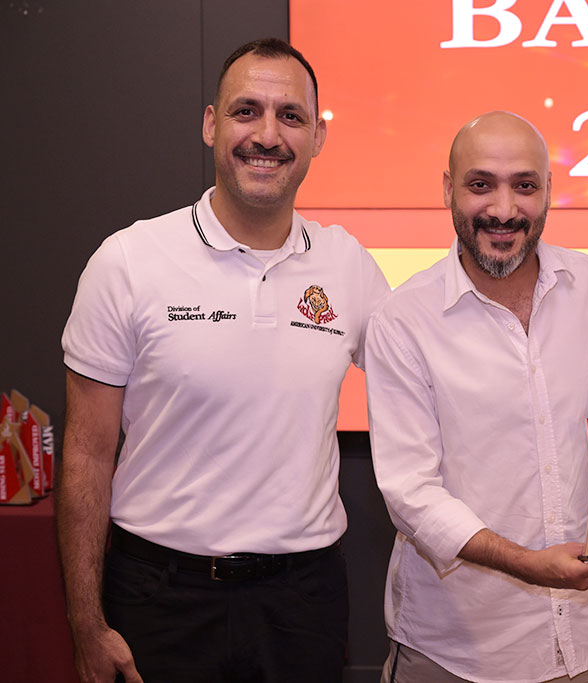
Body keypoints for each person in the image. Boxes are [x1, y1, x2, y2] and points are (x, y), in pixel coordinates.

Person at [57, 38, 390, 683]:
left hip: (303, 601)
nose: (267, 136)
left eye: (290, 116)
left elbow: (430, 380)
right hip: (159, 599)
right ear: (211, 124)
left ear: (318, 137)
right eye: (246, 111)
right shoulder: (127, 261)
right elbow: (87, 455)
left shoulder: (348, 264)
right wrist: (86, 623)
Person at [364, 111, 588, 683]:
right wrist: (527, 564)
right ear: (448, 188)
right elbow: (410, 490)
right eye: (480, 185)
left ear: (549, 191)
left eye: (524, 185)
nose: (503, 208)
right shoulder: (404, 319)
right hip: (453, 655)